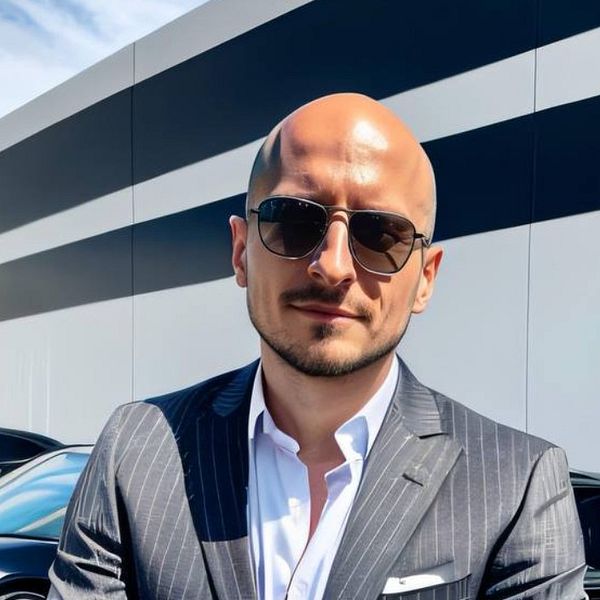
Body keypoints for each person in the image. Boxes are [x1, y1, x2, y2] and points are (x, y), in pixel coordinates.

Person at [48, 93, 587, 599]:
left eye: (381, 235)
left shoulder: (517, 485)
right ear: (241, 251)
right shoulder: (135, 451)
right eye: (293, 221)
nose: (332, 266)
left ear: (425, 278)